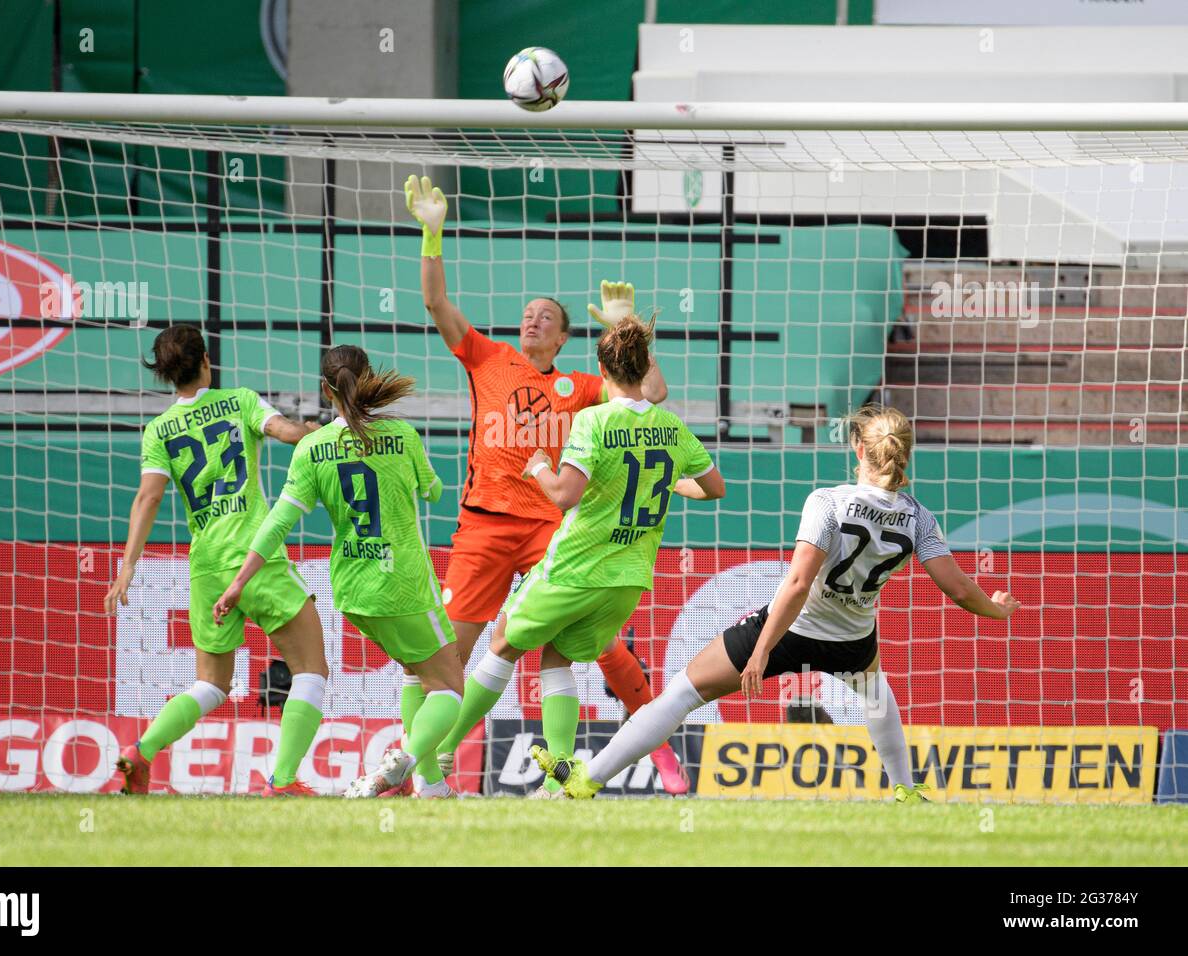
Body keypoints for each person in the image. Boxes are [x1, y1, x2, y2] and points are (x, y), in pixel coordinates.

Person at [534, 405, 1021, 803]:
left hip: (792, 628)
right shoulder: (918, 517)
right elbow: (957, 589)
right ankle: (904, 788)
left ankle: (587, 779)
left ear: (858, 449)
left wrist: (764, 650)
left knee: (681, 694)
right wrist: (997, 608)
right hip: (853, 638)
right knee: (876, 694)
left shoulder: (828, 502)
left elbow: (795, 585)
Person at [404, 173, 690, 793]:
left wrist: (627, 327)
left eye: (548, 317)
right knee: (452, 650)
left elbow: (654, 394)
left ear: (565, 338)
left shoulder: (584, 387)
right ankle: (429, 773)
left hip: (551, 528)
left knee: (603, 645)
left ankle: (656, 745)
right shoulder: (488, 359)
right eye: (529, 314)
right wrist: (432, 234)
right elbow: (435, 305)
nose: (533, 320)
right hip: (483, 523)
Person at [431, 315, 725, 794]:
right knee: (557, 658)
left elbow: (565, 495)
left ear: (599, 367)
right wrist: (667, 480)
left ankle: (439, 751)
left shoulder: (592, 416)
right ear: (645, 364)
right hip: (628, 577)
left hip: (574, 562)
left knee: (503, 641)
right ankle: (558, 783)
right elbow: (715, 487)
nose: (531, 321)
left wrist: (541, 466)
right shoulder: (670, 428)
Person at [213, 345, 464, 799]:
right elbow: (433, 490)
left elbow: (278, 524)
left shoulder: (311, 447)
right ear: (369, 379)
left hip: (352, 591)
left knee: (416, 673)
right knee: (449, 686)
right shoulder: (402, 435)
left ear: (326, 390)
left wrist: (237, 582)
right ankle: (401, 760)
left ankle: (432, 787)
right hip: (404, 583)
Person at [104, 325, 326, 796]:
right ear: (206, 359)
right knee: (311, 670)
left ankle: (140, 752)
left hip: (206, 564)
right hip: (255, 554)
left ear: (164, 374)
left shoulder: (159, 430)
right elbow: (287, 434)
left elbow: (147, 499)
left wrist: (127, 567)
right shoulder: (240, 400)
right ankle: (282, 781)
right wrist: (312, 432)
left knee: (211, 684)